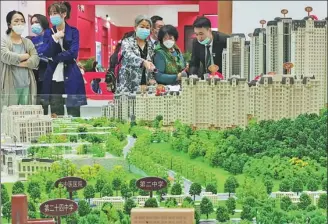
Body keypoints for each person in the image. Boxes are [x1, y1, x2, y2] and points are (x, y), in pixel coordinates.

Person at [41, 1, 87, 117]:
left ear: (64, 14)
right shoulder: (48, 33)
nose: (52, 16)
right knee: (56, 110)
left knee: (74, 110)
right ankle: (58, 134)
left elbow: (73, 52)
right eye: (50, 13)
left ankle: (76, 133)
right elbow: (46, 52)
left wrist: (55, 57)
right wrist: (55, 38)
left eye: (55, 13)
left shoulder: (74, 31)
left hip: (71, 73)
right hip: (53, 74)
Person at [1, 10, 39, 108]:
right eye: (16, 21)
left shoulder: (28, 42)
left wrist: (17, 63)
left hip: (27, 85)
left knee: (26, 116)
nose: (20, 23)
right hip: (10, 86)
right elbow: (5, 56)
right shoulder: (4, 40)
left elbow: (35, 60)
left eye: (22, 21)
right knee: (10, 116)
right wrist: (25, 56)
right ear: (9, 24)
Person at [116, 15, 156, 93]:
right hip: (128, 84)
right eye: (142, 26)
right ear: (135, 28)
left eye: (147, 27)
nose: (145, 29)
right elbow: (129, 56)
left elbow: (150, 63)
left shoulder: (151, 45)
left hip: (145, 86)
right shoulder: (127, 42)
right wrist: (143, 62)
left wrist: (152, 79)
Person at [29, 14, 50, 105]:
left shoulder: (51, 35)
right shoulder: (33, 40)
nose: (34, 25)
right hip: (38, 74)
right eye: (32, 23)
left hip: (51, 72)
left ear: (43, 22)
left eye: (36, 22)